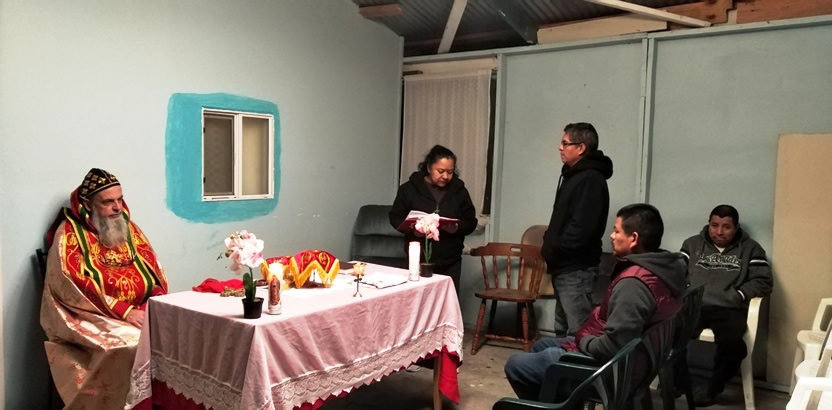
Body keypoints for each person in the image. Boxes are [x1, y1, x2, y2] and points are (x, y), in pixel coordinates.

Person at [505, 203, 686, 401]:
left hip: (610, 374)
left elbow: (612, 347)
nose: (612, 236)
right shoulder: (662, 269)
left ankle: (557, 404)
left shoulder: (634, 284)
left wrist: (584, 339)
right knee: (541, 345)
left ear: (633, 238)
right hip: (634, 363)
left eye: (616, 231)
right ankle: (555, 400)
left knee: (516, 364)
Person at [41, 168, 169, 409]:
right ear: (88, 204)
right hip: (87, 315)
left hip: (138, 311)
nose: (118, 207)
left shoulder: (130, 229)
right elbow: (70, 284)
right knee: (132, 344)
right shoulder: (69, 234)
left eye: (120, 199)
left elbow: (153, 271)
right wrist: (124, 311)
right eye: (108, 202)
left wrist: (151, 306)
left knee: (175, 332)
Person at [680, 205, 773, 407]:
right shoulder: (692, 244)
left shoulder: (751, 249)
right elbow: (677, 273)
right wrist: (686, 291)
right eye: (714, 225)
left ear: (736, 227)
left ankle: (712, 388)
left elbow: (763, 281)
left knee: (734, 344)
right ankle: (676, 381)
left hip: (728, 308)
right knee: (668, 331)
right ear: (708, 224)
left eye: (726, 227)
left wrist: (738, 295)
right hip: (694, 304)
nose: (719, 232)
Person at [541, 122, 614, 337]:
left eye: (565, 143)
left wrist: (555, 248)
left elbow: (581, 229)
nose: (560, 147)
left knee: (579, 332)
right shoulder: (575, 175)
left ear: (581, 148)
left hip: (576, 269)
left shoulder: (590, 179)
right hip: (565, 268)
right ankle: (560, 360)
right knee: (562, 329)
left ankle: (574, 361)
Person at [389, 144, 478, 294]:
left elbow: (471, 221)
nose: (445, 176)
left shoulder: (460, 191)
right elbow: (395, 217)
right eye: (441, 171)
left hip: (450, 260)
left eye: (450, 172)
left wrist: (456, 228)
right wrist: (414, 230)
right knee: (418, 300)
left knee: (447, 302)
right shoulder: (409, 189)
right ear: (429, 167)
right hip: (417, 259)